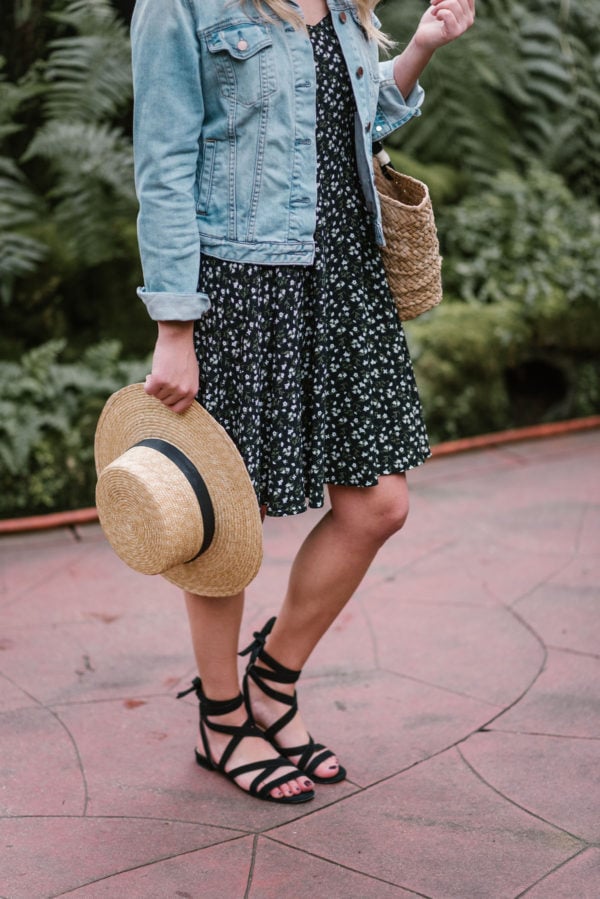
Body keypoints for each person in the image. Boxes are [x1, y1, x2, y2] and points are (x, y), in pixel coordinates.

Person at [130, 0, 475, 804]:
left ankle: (272, 682)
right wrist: (175, 324)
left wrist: (421, 46)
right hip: (245, 285)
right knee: (222, 518)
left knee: (379, 504)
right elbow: (164, 161)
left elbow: (351, 120)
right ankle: (223, 719)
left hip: (347, 278)